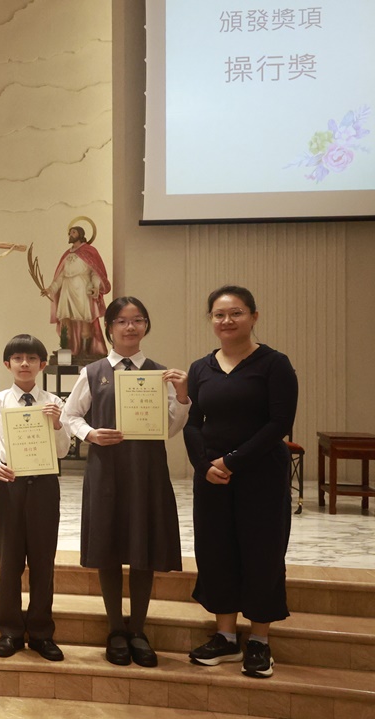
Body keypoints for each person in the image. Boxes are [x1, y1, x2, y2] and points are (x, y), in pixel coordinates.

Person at [62, 297, 189, 667]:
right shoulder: (93, 372)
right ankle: (116, 629)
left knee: (142, 546)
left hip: (147, 470)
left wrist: (183, 397)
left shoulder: (160, 374)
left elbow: (170, 427)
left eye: (138, 320)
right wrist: (90, 434)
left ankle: (138, 630)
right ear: (109, 328)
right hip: (106, 470)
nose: (130, 327)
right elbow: (70, 416)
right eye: (122, 320)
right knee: (108, 544)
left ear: (146, 325)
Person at [184, 286, 298, 679]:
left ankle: (260, 642)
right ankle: (226, 637)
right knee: (215, 551)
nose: (227, 321)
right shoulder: (201, 368)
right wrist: (204, 465)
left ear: (253, 316)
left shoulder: (274, 364)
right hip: (212, 478)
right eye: (219, 314)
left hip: (261, 475)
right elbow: (193, 423)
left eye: (236, 313)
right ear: (211, 320)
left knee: (262, 552)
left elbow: (279, 423)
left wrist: (233, 461)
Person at [0, 334, 71, 662]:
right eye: (17, 358)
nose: (25, 364)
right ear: (7, 364)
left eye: (31, 358)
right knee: (10, 561)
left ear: (42, 364)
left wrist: (57, 423)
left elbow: (63, 450)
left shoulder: (54, 402)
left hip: (44, 486)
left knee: (43, 561)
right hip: (10, 487)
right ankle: (10, 630)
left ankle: (42, 632)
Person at [46, 224, 111, 357]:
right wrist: (50, 289)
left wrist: (95, 287)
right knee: (65, 319)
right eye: (70, 233)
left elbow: (95, 272)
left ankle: (85, 350)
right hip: (67, 289)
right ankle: (65, 349)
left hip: (82, 288)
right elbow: (61, 275)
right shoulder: (67, 254)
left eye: (74, 232)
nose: (70, 235)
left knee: (84, 319)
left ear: (80, 234)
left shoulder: (90, 251)